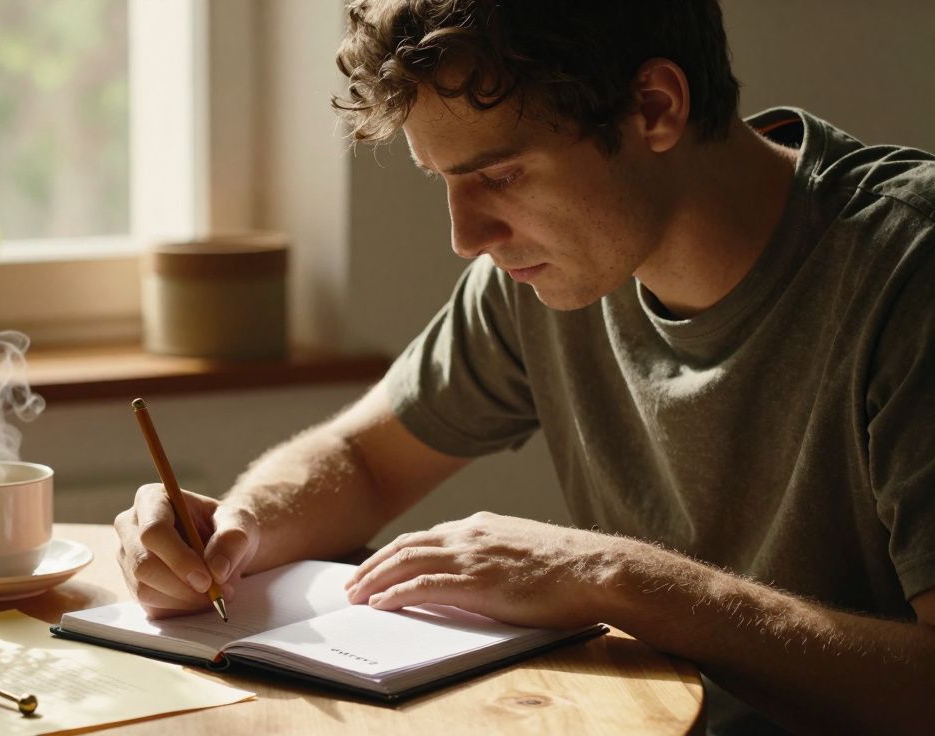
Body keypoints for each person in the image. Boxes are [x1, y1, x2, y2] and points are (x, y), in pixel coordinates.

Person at [113, 1, 935, 732]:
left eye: (498, 176)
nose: (465, 237)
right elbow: (363, 461)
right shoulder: (540, 278)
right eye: (442, 181)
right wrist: (232, 532)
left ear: (654, 108)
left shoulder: (909, 275)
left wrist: (613, 576)